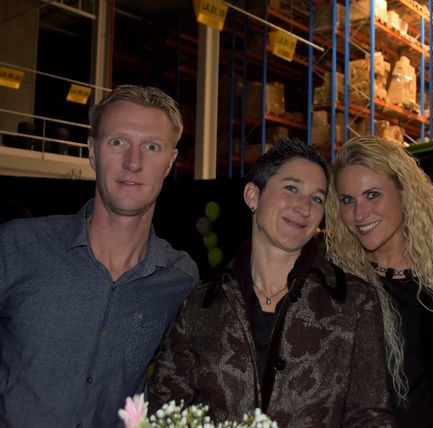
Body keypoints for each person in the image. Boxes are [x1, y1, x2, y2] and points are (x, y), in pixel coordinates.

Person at [149, 138, 395, 427]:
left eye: (317, 198)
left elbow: (370, 417)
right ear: (253, 196)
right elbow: (164, 411)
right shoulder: (199, 308)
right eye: (291, 188)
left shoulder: (354, 301)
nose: (304, 208)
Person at [0, 85, 199, 427]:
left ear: (170, 162)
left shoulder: (180, 279)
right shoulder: (16, 246)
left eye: (151, 147)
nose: (133, 163)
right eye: (117, 142)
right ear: (92, 152)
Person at [324, 136, 433, 427]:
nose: (359, 214)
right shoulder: (338, 290)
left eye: (372, 195)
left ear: (404, 193)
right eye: (347, 200)